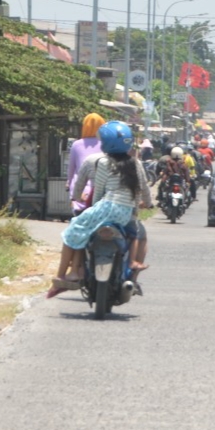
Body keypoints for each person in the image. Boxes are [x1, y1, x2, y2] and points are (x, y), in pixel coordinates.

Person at [48, 121, 152, 298]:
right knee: (138, 234)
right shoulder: (136, 164)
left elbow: (99, 192)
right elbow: (143, 189)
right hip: (126, 213)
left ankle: (67, 274)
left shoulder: (102, 163)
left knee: (72, 230)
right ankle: (132, 276)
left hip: (107, 207)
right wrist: (147, 203)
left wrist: (94, 209)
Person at [67, 112, 105, 215]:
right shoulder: (106, 144)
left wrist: (68, 183)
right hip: (101, 191)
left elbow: (71, 169)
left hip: (80, 191)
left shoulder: (76, 145)